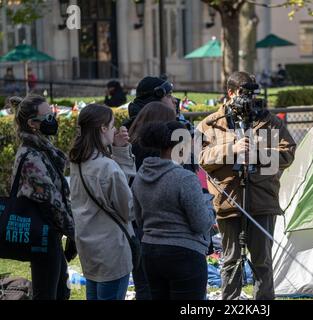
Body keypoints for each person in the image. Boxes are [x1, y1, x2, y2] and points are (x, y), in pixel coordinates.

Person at [197, 71, 297, 300]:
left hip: (262, 201)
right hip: (228, 201)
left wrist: (259, 153)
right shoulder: (211, 123)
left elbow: (288, 154)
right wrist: (230, 150)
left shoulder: (270, 121)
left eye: (253, 93)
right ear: (230, 92)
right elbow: (201, 158)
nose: (249, 98)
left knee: (262, 261)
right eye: (244, 93)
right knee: (230, 260)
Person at [132, 121, 215, 300]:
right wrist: (208, 204)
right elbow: (201, 224)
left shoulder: (141, 176)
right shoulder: (185, 178)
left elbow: (139, 220)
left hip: (150, 252)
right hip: (185, 255)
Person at [69, 104, 136, 300]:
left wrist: (118, 150)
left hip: (89, 246)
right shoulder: (107, 167)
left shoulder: (77, 160)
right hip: (112, 250)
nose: (116, 129)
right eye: (112, 125)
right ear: (103, 128)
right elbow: (128, 210)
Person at [12, 94, 75, 300]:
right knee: (49, 294)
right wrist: (76, 233)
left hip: (51, 235)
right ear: (32, 124)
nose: (53, 119)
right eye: (47, 116)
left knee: (61, 291)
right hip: (43, 236)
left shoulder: (42, 151)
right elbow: (52, 201)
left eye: (52, 114)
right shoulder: (31, 156)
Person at [126, 101, 177, 300]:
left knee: (144, 286)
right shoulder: (157, 155)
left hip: (136, 223)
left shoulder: (127, 146)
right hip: (157, 225)